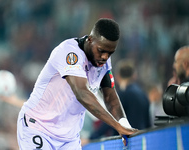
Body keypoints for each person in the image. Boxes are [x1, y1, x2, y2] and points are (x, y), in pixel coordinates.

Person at [17, 18, 138, 150]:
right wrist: (116, 126)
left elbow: (111, 97)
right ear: (90, 39)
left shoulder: (104, 62)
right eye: (101, 50)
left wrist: (124, 125)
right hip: (38, 127)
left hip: (69, 139)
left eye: (110, 53)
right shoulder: (69, 52)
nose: (105, 57)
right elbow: (82, 93)